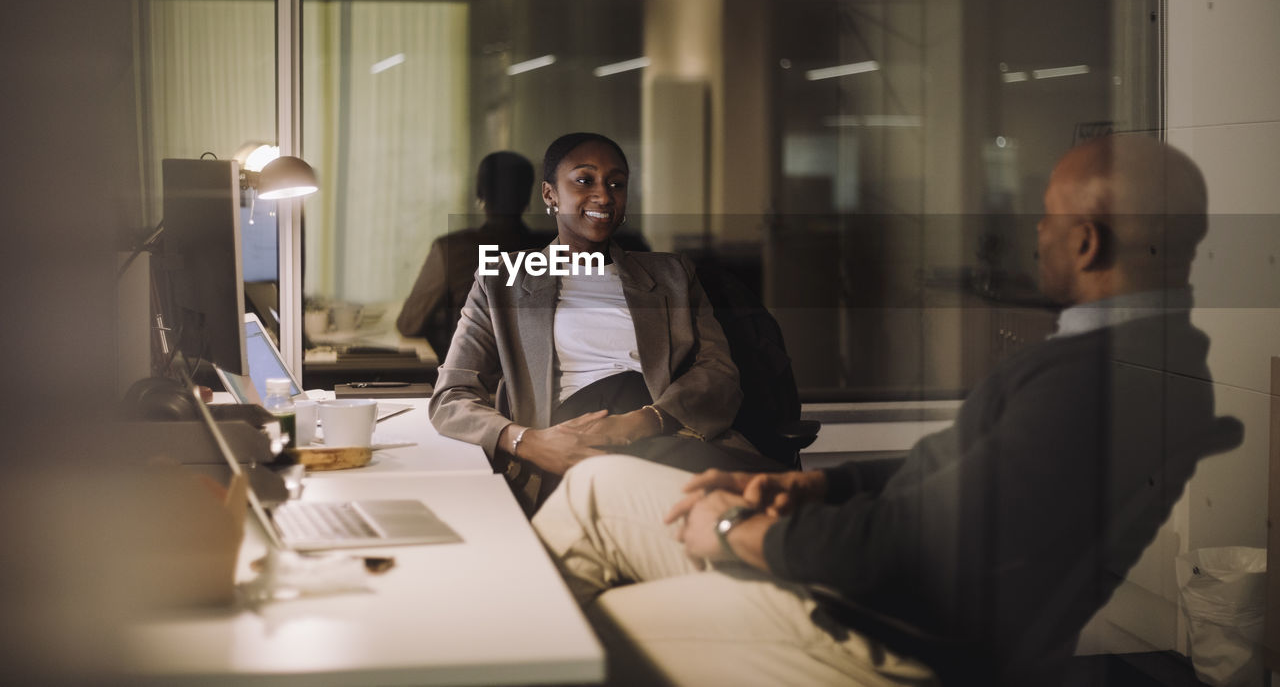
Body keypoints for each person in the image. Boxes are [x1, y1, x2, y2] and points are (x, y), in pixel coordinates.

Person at [531, 135, 1228, 686]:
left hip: (873, 632)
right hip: (867, 584)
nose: (1036, 231)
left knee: (572, 633)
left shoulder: (1098, 381)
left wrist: (738, 530)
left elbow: (917, 545)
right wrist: (817, 484)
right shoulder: (1134, 359)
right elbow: (962, 472)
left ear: (1085, 242)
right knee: (594, 484)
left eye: (1047, 214)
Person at [430, 132, 769, 510]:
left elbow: (718, 371)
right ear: (549, 195)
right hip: (567, 442)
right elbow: (451, 397)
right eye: (584, 180)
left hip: (663, 429)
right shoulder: (501, 280)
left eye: (616, 183)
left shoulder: (672, 274)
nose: (604, 196)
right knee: (734, 504)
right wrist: (527, 441)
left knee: (738, 502)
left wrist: (643, 422)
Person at [396, 151, 547, 360]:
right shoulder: (552, 249)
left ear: (480, 194)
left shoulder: (451, 249)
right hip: (540, 384)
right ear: (528, 196)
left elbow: (409, 323)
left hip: (473, 381)